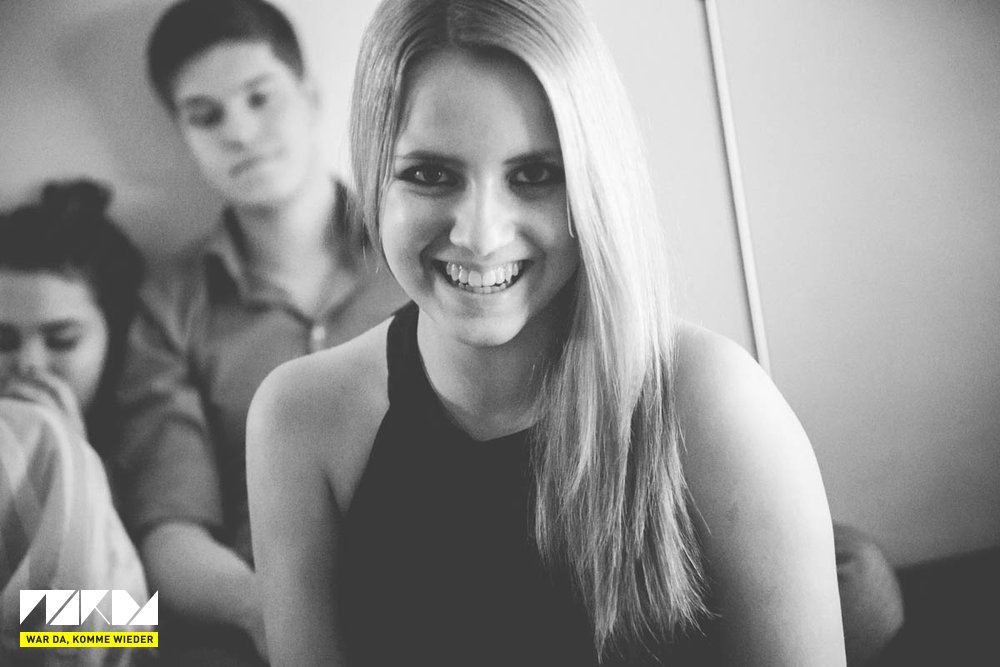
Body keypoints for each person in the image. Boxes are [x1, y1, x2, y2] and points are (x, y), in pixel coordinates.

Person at [247, 0, 854, 665]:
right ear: (373, 181)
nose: (480, 235)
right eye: (430, 175)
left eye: (535, 175)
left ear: (597, 185)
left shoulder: (716, 405)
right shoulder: (298, 419)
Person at [114, 0, 407, 663]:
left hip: (430, 593)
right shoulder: (166, 304)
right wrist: (265, 611)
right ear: (182, 134)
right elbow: (168, 530)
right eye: (206, 116)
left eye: (259, 97)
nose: (240, 133)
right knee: (42, 616)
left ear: (311, 97)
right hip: (239, 614)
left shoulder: (415, 249)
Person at [0, 180, 150, 666]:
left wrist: (75, 464)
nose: (29, 365)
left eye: (62, 340)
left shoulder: (144, 453)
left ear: (113, 336)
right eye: (3, 341)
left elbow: (131, 631)